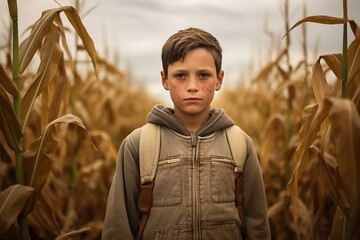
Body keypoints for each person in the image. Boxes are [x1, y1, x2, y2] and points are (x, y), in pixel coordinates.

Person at [102, 27, 271, 240]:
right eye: (180, 76)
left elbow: (258, 225)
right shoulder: (137, 145)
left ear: (219, 80)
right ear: (165, 80)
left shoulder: (239, 143)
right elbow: (118, 228)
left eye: (203, 75)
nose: (192, 86)